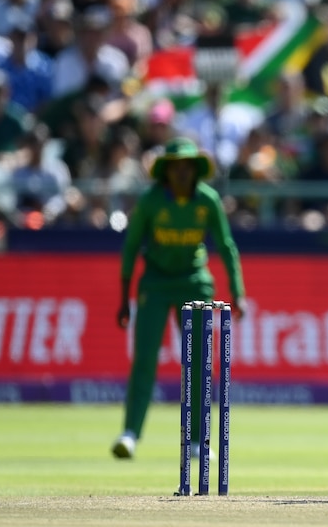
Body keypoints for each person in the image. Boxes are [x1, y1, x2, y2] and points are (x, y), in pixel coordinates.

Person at [111, 137, 247, 459]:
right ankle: (130, 433)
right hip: (155, 282)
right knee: (144, 359)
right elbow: (130, 248)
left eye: (188, 167)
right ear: (166, 172)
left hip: (193, 280)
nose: (183, 173)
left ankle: (199, 441)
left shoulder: (208, 200)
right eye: (176, 167)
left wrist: (238, 292)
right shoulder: (151, 201)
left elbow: (226, 246)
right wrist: (123, 298)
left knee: (198, 362)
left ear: (196, 169)